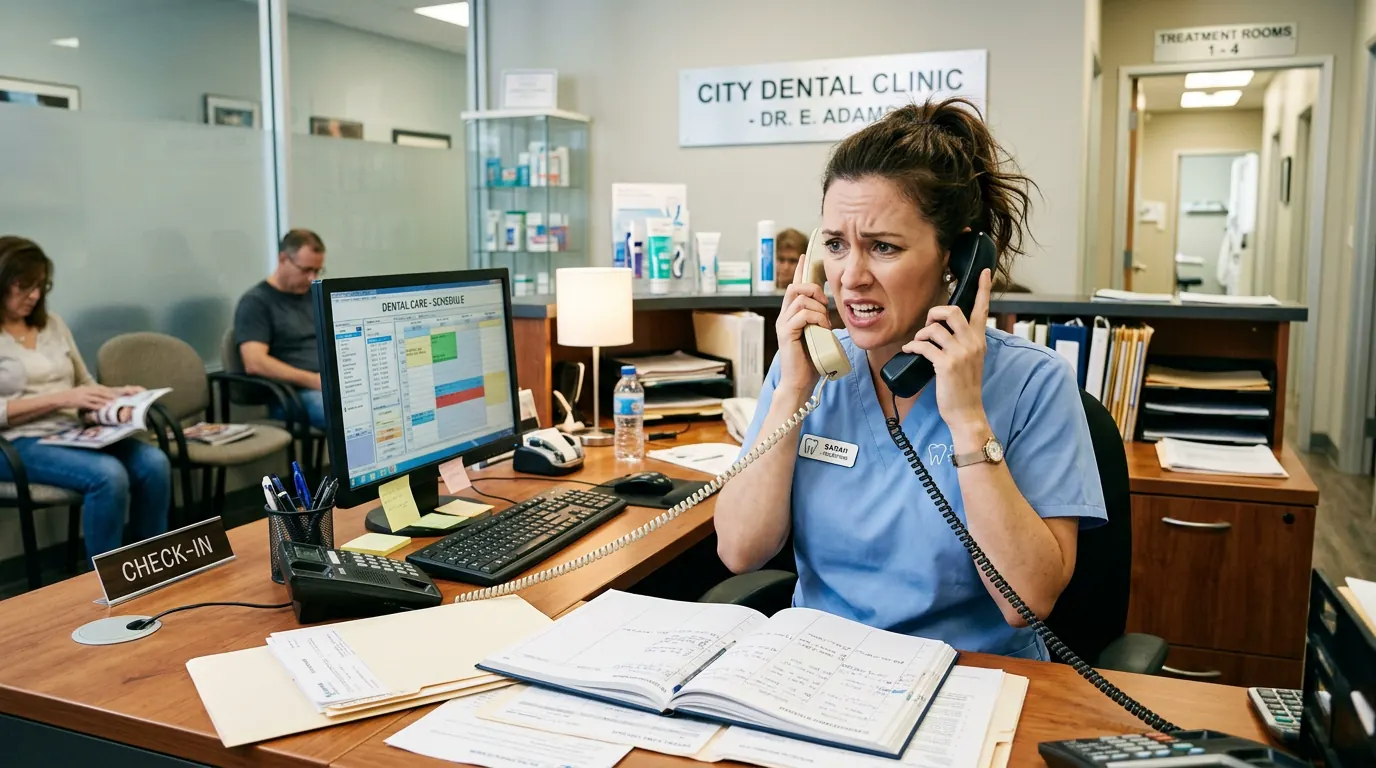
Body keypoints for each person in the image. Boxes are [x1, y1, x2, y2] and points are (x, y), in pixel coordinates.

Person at [714, 98, 1106, 661]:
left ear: (957, 257)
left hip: (968, 680)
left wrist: (968, 418)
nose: (852, 277)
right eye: (835, 246)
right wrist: (793, 391)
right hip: (815, 675)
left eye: (884, 247)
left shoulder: (1033, 384)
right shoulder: (806, 370)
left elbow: (1027, 601)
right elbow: (740, 551)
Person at [0, 237, 171, 560]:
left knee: (154, 463)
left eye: (40, 286)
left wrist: (116, 397)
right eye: (24, 286)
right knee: (108, 475)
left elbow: (84, 383)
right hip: (15, 443)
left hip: (71, 431)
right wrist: (62, 398)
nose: (34, 296)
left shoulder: (52, 325)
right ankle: (107, 584)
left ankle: (154, 567)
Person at [234, 229, 328, 430]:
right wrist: (314, 381)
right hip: (290, 395)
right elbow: (255, 363)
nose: (312, 278)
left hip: (324, 384)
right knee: (344, 413)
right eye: (306, 270)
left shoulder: (313, 296)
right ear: (283, 259)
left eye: (317, 271)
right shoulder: (256, 302)